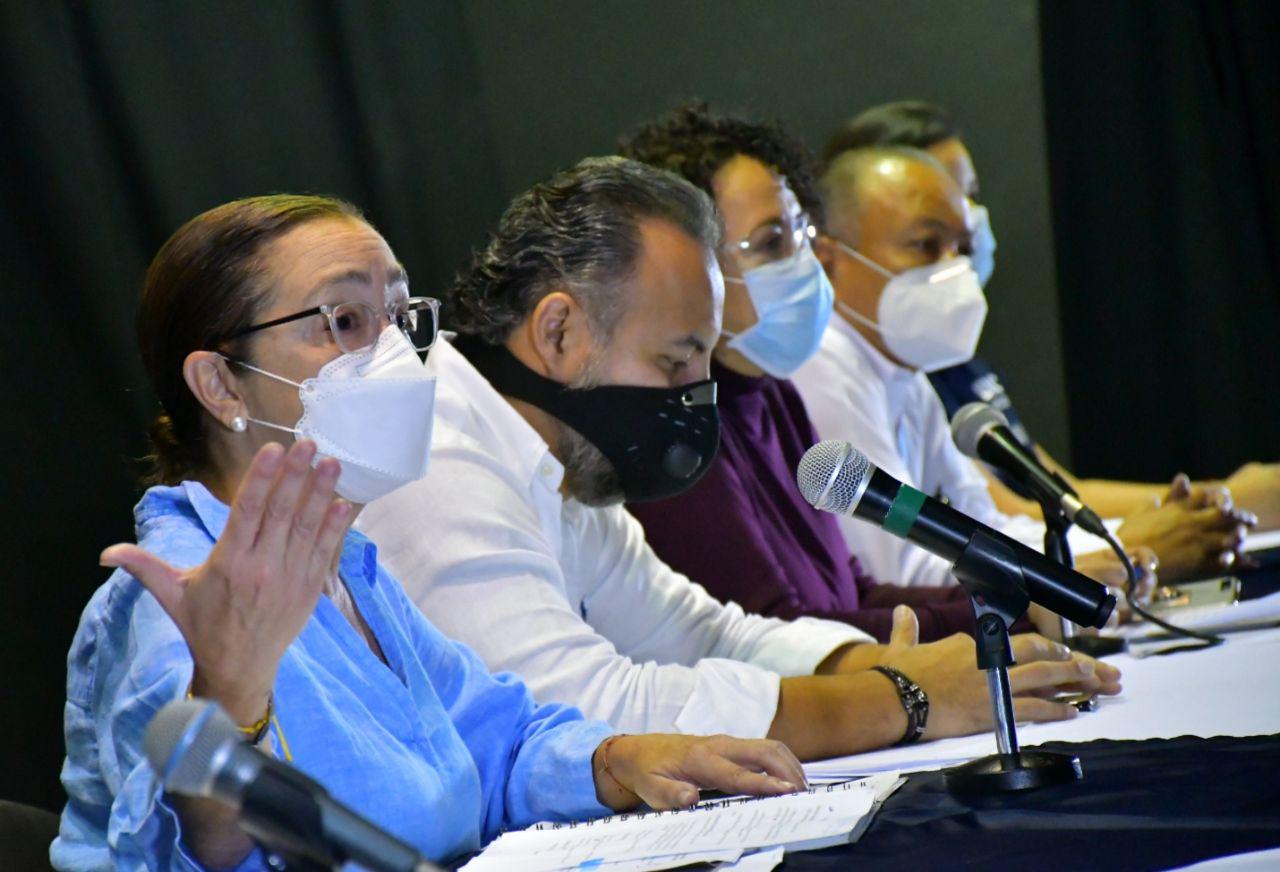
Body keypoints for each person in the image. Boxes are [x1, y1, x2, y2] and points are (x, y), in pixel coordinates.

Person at [53, 194, 812, 872]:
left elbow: (498, 739)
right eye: (345, 322)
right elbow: (198, 855)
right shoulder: (171, 600)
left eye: (398, 316)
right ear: (222, 385)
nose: (396, 354)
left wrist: (618, 759)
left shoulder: (351, 568)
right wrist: (228, 697)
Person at [358, 157, 1120, 766]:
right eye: (675, 362)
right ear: (559, 332)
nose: (698, 398)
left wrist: (873, 663)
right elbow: (580, 710)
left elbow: (698, 632)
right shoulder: (437, 451)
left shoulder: (559, 448)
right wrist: (899, 700)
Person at [616, 102, 1058, 641]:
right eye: (772, 242)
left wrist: (1012, 600)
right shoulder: (677, 436)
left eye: (802, 231)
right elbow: (781, 633)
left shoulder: (773, 393)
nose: (806, 260)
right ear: (689, 265)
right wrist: (997, 617)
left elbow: (855, 592)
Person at [822, 100, 1277, 548]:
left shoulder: (913, 374)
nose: (961, 239)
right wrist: (1163, 529)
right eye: (925, 240)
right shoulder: (837, 371)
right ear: (832, 256)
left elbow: (1012, 509)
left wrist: (1140, 538)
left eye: (968, 200)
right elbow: (934, 547)